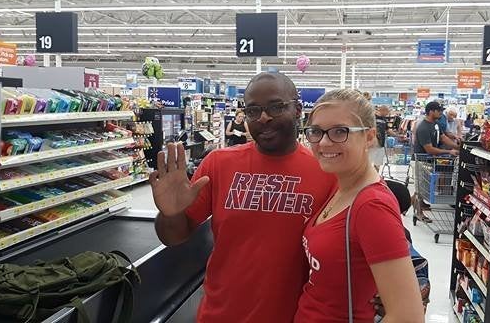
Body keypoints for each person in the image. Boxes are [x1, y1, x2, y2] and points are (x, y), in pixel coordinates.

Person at [151, 72, 337, 323]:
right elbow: (173, 237)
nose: (263, 117)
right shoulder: (218, 164)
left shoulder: (328, 174)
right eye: (253, 111)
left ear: (298, 110)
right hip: (220, 316)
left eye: (276, 106)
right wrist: (170, 213)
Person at [295, 89, 424, 323]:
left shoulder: (372, 206)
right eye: (316, 131)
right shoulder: (340, 187)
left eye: (339, 132)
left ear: (368, 137)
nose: (324, 142)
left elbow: (408, 316)